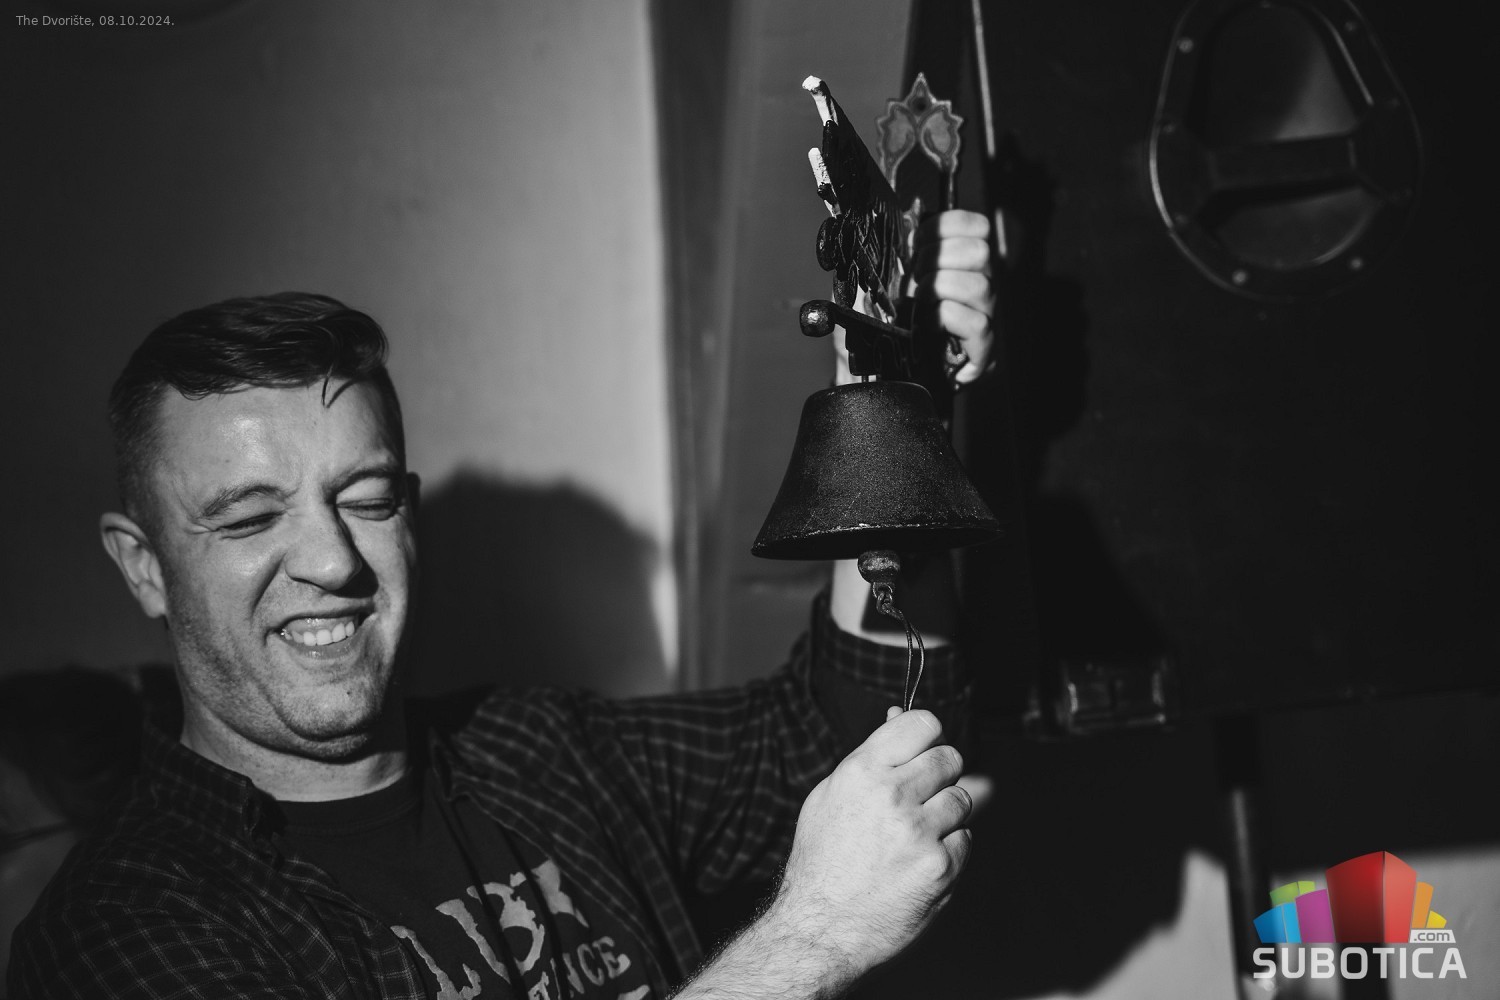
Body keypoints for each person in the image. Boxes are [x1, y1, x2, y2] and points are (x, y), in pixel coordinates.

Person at [8, 210, 997, 999]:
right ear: (143, 565)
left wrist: (889, 407)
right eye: (250, 517)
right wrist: (810, 940)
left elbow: (841, 732)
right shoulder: (118, 929)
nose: (331, 561)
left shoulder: (533, 748)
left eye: (367, 499)